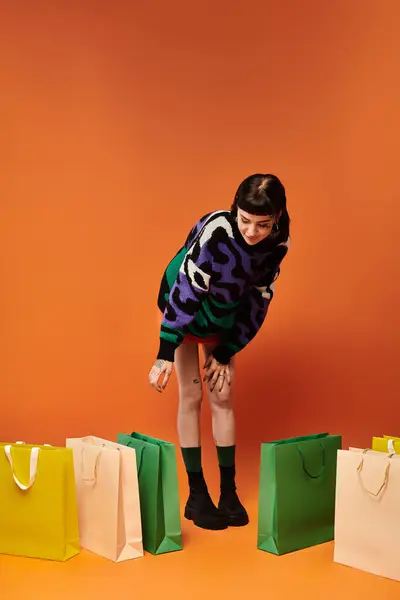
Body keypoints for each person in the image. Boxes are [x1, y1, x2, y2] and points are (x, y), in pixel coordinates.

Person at [148, 173, 290, 531]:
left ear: (276, 219)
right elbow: (187, 288)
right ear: (234, 210)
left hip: (223, 313)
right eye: (244, 220)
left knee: (223, 395)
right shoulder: (217, 230)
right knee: (192, 393)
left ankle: (229, 492)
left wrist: (226, 351)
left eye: (263, 224)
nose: (252, 231)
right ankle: (197, 495)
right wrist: (166, 350)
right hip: (184, 307)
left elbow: (259, 300)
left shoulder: (278, 242)